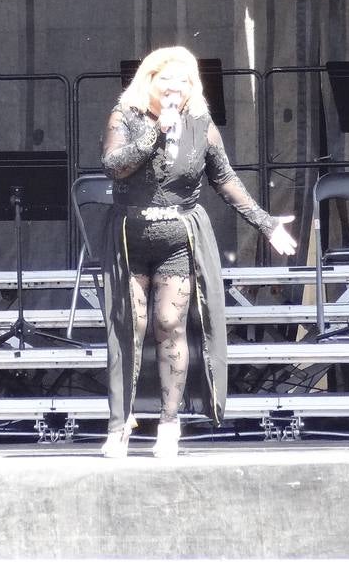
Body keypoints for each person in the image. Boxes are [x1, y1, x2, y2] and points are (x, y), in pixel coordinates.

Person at [98, 46, 296, 458]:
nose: (175, 88)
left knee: (170, 323)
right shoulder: (125, 116)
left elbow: (225, 181)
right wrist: (156, 132)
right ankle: (120, 425)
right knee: (129, 328)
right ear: (149, 82)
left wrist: (265, 222)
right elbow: (114, 165)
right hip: (129, 236)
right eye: (166, 80)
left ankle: (169, 424)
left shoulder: (202, 126)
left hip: (177, 237)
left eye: (184, 81)